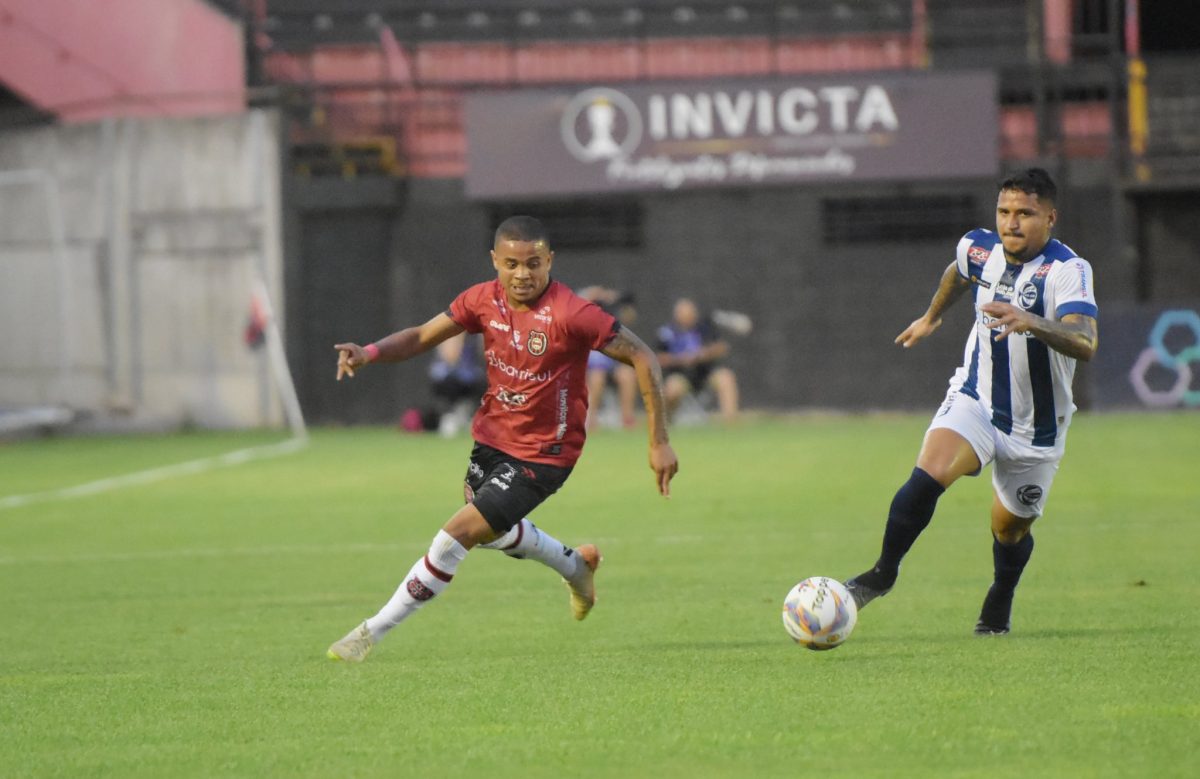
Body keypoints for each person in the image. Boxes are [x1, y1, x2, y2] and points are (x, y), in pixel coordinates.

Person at [327, 215, 679, 662]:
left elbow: (644, 357)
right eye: (511, 263)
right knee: (490, 531)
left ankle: (367, 635)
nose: (522, 274)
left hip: (546, 454)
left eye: (533, 263)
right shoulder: (481, 300)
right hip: (492, 438)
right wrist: (370, 352)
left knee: (454, 537)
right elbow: (420, 336)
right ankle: (576, 566)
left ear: (549, 260)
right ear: (495, 261)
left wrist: (658, 441)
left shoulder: (573, 313)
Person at [843, 168, 1099, 635]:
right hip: (976, 398)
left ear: (1050, 218)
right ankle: (882, 574)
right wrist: (931, 317)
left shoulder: (1068, 272)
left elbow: (1085, 340)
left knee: (1010, 529)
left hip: (1035, 430)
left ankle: (1001, 595)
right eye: (1004, 212)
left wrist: (1032, 321)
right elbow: (959, 271)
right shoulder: (980, 248)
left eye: (1025, 213)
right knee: (929, 473)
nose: (1011, 223)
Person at [656, 298, 739, 423]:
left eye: (690, 314)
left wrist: (702, 354)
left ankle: (730, 423)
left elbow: (722, 347)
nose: (687, 318)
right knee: (672, 389)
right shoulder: (667, 332)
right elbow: (658, 358)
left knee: (726, 377)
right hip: (681, 375)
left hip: (705, 374)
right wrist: (681, 359)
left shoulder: (705, 328)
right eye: (683, 315)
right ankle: (668, 422)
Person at [578, 286, 639, 430]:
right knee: (597, 377)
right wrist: (593, 295)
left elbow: (629, 311)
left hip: (611, 360)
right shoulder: (580, 311)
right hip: (591, 363)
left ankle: (627, 419)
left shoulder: (611, 317)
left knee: (627, 375)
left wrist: (612, 297)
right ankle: (590, 419)